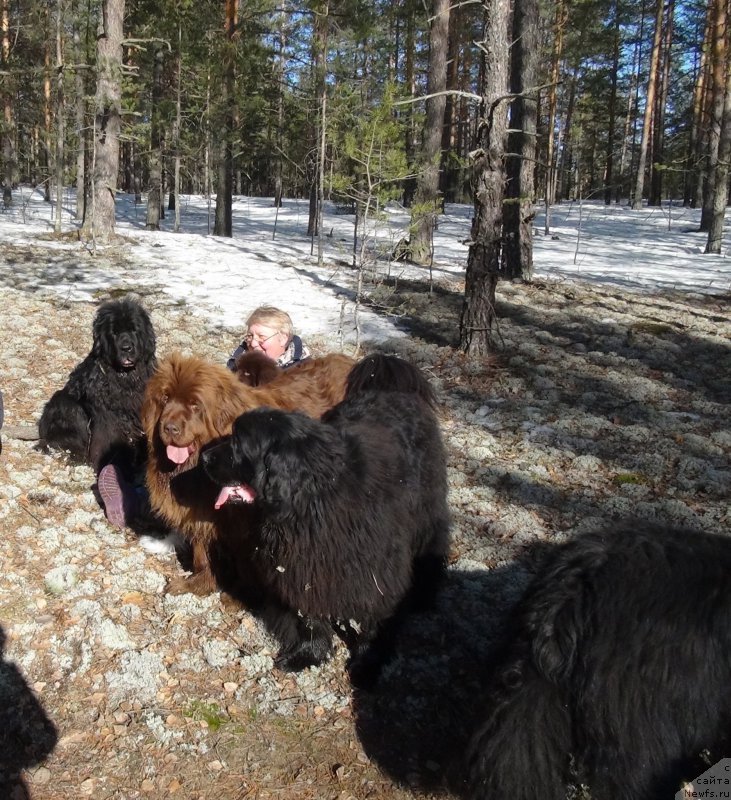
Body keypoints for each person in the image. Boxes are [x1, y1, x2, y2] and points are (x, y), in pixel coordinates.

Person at [226, 306, 310, 371]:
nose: (253, 344)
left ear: (283, 338)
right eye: (250, 336)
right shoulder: (235, 368)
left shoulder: (306, 372)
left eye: (261, 337)